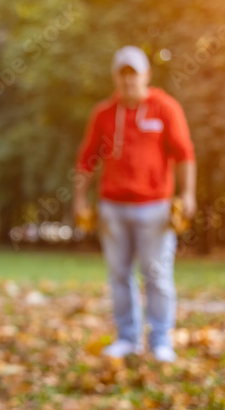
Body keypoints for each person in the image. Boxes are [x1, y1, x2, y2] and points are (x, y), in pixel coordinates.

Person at [73, 45, 196, 362]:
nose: (128, 80)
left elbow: (184, 154)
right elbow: (86, 160)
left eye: (134, 74)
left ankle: (161, 340)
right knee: (119, 276)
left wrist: (188, 194)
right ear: (115, 77)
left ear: (146, 75)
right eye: (123, 74)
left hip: (155, 208)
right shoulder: (103, 114)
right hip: (112, 209)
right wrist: (79, 200)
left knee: (157, 276)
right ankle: (128, 339)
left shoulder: (165, 108)